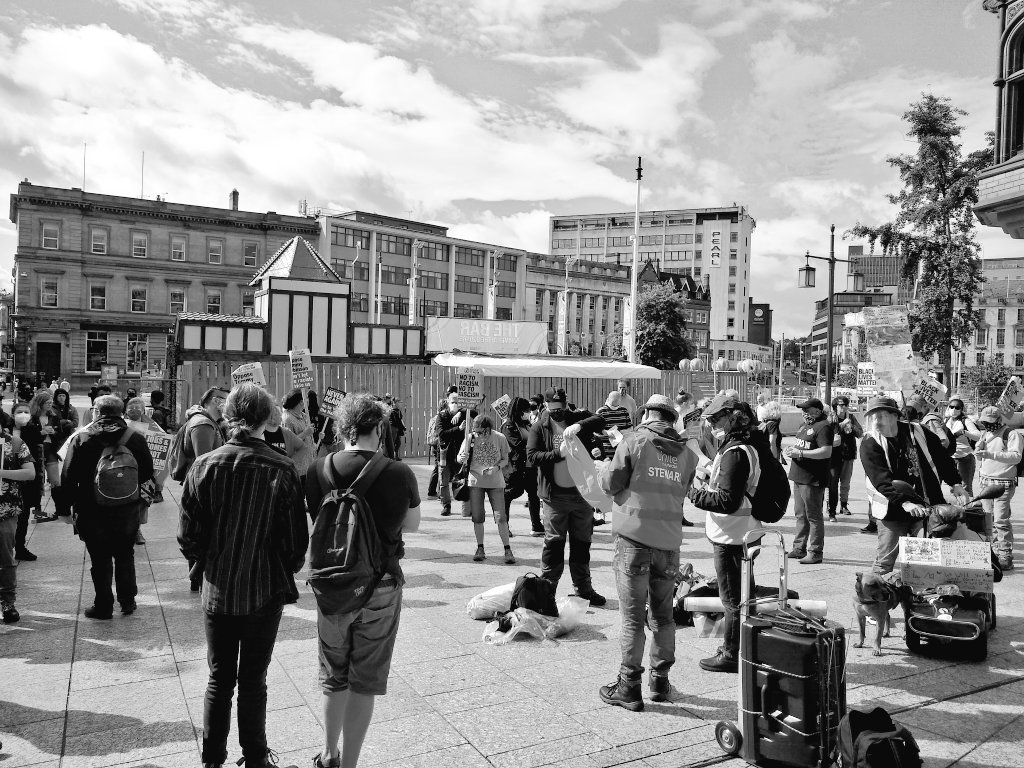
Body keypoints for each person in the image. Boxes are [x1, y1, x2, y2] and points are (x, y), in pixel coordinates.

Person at [179, 383, 308, 768]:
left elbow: (188, 537)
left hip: (219, 588)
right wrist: (282, 566)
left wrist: (208, 564)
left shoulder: (204, 466)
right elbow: (295, 542)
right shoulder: (281, 468)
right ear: (265, 418)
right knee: (254, 680)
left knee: (220, 680)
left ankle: (213, 758)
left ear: (230, 415)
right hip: (264, 588)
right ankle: (255, 757)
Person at [304, 393, 420, 768]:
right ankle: (350, 763)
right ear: (379, 428)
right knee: (364, 678)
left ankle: (328, 754)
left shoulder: (317, 470)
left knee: (333, 673)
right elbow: (413, 524)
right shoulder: (398, 472)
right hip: (381, 583)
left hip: (333, 585)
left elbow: (314, 524)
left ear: (343, 429)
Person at [598, 394, 698, 710]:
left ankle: (628, 686)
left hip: (633, 542)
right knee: (664, 617)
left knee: (632, 619)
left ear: (646, 415)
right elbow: (680, 493)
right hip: (668, 546)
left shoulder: (634, 441)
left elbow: (611, 485)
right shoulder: (687, 454)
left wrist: (601, 465)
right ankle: (660, 681)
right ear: (671, 419)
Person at [688, 395, 765, 673]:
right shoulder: (739, 447)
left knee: (732, 599)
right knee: (745, 595)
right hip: (740, 532)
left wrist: (694, 495)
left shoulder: (735, 452)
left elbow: (727, 501)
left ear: (733, 418)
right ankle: (750, 647)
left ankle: (732, 654)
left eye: (716, 419)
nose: (711, 425)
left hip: (732, 536)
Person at [61, 395, 155, 619]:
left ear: (96, 412)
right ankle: (127, 600)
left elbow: (67, 475)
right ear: (120, 412)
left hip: (91, 508)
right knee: (125, 553)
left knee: (99, 557)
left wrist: (65, 507)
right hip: (126, 508)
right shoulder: (135, 437)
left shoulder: (82, 438)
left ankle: (103, 605)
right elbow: (148, 472)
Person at [860, 396, 967, 574]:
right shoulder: (870, 442)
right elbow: (880, 479)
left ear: (894, 415)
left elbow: (942, 459)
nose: (875, 421)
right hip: (892, 507)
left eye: (880, 416)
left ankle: (922, 598)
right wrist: (904, 503)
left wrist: (955, 483)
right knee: (885, 562)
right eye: (872, 417)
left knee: (927, 559)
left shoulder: (918, 431)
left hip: (927, 504)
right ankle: (872, 597)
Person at [527, 386, 608, 606]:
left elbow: (600, 419)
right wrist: (557, 453)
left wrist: (579, 425)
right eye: (552, 409)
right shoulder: (539, 427)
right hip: (555, 497)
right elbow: (532, 457)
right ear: (545, 406)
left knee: (582, 544)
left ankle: (584, 589)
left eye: (560, 408)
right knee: (554, 545)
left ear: (565, 404)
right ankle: (547, 589)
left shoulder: (576, 418)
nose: (557, 412)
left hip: (582, 495)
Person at [179, 388, 229, 590]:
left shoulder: (210, 423)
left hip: (202, 487)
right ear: (216, 401)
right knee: (202, 531)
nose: (227, 404)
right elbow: (204, 463)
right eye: (225, 400)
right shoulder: (203, 424)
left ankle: (199, 576)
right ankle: (198, 577)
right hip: (203, 489)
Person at [457, 414, 514, 563]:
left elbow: (506, 459)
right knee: (477, 517)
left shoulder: (500, 437)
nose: (479, 434)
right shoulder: (470, 437)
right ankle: (480, 547)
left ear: (489, 429)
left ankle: (507, 549)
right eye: (476, 432)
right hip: (475, 481)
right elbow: (459, 457)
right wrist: (461, 458)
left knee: (501, 517)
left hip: (495, 482)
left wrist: (496, 468)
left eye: (482, 432)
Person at [783, 397, 833, 564]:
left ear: (818, 411)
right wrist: (793, 450)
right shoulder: (804, 425)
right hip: (799, 475)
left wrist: (801, 454)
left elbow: (826, 451)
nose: (804, 413)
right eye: (803, 410)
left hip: (812, 478)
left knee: (813, 516)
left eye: (807, 410)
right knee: (800, 515)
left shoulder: (823, 426)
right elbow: (803, 445)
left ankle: (815, 551)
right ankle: (799, 548)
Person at [974, 406, 1023, 570]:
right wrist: (979, 451)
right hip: (986, 483)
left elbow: (1016, 457)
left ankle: (1005, 555)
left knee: (1000, 521)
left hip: (1003, 484)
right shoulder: (986, 434)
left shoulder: (1011, 434)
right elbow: (982, 456)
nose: (987, 425)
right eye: (984, 422)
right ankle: (995, 552)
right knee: (989, 521)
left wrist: (989, 454)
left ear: (999, 420)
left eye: (990, 422)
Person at [0, 426, 39, 623]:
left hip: (5, 510)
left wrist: (1, 473)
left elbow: (30, 473)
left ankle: (8, 603)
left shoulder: (14, 444)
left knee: (6, 557)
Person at [124, 397, 167, 543]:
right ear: (126, 410)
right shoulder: (120, 424)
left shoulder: (152, 426)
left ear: (143, 410)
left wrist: (158, 477)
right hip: (125, 468)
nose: (134, 410)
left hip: (145, 470)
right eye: (131, 408)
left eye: (138, 408)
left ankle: (137, 529)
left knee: (143, 501)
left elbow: (162, 448)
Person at [502, 397, 543, 536]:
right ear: (520, 411)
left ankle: (536, 525)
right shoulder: (509, 426)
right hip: (516, 467)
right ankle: (504, 525)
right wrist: (533, 450)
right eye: (526, 410)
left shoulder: (526, 424)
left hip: (530, 466)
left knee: (534, 495)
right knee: (510, 494)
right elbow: (517, 445)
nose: (529, 413)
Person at [11, 403, 45, 559]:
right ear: (12, 415)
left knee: (23, 514)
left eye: (26, 412)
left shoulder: (33, 431)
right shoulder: (5, 429)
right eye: (19, 412)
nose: (23, 414)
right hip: (6, 477)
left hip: (26, 477)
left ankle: (20, 547)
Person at [435, 392, 474, 517]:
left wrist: (461, 412)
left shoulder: (463, 414)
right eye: (453, 402)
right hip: (445, 454)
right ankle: (446, 505)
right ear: (447, 402)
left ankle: (466, 506)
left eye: (457, 402)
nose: (455, 405)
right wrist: (458, 429)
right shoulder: (441, 416)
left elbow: (475, 413)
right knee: (444, 482)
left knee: (463, 480)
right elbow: (442, 433)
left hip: (459, 454)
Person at [827, 396, 862, 522]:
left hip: (848, 453)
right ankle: (831, 507)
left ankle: (844, 505)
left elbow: (860, 433)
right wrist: (842, 425)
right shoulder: (831, 418)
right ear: (835, 406)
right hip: (834, 454)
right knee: (832, 483)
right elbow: (828, 432)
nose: (843, 407)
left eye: (845, 405)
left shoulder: (851, 417)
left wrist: (851, 425)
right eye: (841, 405)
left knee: (845, 482)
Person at [946, 398, 982, 495]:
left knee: (966, 487)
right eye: (951, 407)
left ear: (961, 409)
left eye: (957, 407)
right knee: (954, 487)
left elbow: (978, 436)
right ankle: (957, 509)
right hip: (951, 458)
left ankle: (967, 509)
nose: (954, 409)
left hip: (965, 457)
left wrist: (964, 432)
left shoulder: (965, 421)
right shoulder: (947, 421)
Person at [282, 388, 315, 476]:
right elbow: (288, 442)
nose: (308, 400)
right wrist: (305, 433)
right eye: (306, 398)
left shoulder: (304, 416)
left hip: (308, 465)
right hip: (297, 469)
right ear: (301, 401)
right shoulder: (287, 419)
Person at [596, 391, 633, 458]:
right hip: (606, 451)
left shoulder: (624, 411)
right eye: (612, 406)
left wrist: (620, 433)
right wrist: (607, 433)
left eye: (616, 406)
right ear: (608, 399)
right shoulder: (601, 412)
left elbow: (630, 428)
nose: (614, 407)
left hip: (622, 451)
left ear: (620, 401)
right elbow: (596, 431)